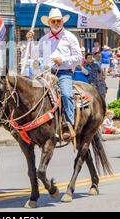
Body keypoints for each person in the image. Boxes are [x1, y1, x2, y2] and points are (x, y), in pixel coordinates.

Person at [27, 8, 82, 141]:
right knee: (32, 93)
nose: (56, 23)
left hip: (64, 72)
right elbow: (34, 54)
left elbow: (79, 58)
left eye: (58, 21)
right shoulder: (44, 38)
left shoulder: (70, 37)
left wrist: (63, 60)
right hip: (46, 72)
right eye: (53, 21)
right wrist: (30, 41)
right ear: (49, 23)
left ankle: (69, 124)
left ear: (62, 21)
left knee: (65, 94)